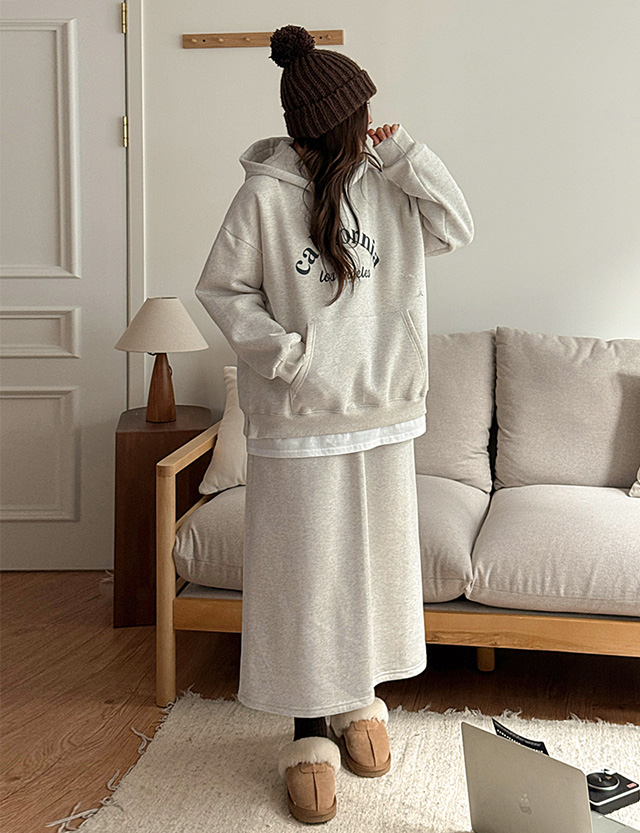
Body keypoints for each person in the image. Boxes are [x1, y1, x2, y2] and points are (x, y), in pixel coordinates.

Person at [195, 23, 474, 825]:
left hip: (384, 414)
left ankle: (358, 702)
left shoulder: (387, 178)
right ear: (332, 123)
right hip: (300, 422)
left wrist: (409, 154)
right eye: (364, 116)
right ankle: (307, 731)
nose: (372, 125)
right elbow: (222, 289)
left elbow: (456, 226)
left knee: (371, 571)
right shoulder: (263, 196)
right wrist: (287, 356)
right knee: (306, 578)